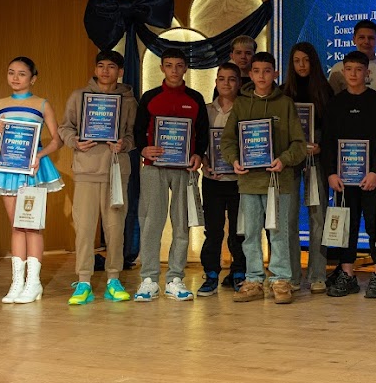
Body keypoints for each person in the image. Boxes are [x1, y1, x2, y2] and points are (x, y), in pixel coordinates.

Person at [221, 52, 307, 304]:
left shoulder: (285, 104)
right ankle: (254, 280)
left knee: (279, 233)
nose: (261, 76)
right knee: (250, 234)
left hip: (279, 181)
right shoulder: (241, 104)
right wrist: (234, 160)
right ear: (250, 74)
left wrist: (284, 160)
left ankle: (280, 280)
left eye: (267, 71)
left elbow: (299, 144)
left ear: (275, 74)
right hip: (249, 181)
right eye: (256, 71)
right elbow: (228, 140)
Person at [131, 47, 209, 302]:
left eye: (179, 65)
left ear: (185, 68)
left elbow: (203, 133)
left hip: (184, 170)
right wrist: (143, 148)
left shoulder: (195, 98)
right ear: (161, 68)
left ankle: (175, 279)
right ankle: (149, 280)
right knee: (151, 223)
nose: (174, 70)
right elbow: (138, 130)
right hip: (154, 168)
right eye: (169, 65)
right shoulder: (150, 97)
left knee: (181, 224)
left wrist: (198, 155)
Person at [62, 49, 137, 305]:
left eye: (111, 67)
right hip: (86, 170)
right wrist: (75, 141)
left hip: (116, 172)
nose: (105, 71)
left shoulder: (129, 101)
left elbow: (134, 135)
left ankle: (113, 279)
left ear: (120, 72)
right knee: (84, 229)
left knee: (115, 229)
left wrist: (124, 144)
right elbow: (65, 127)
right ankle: (83, 281)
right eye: (101, 66)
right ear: (95, 69)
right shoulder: (79, 96)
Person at [0, 56, 65, 304]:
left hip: (33, 169)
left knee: (31, 224)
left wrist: (39, 155)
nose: (15, 77)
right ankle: (17, 282)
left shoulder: (41, 104)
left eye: (22, 73)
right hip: (8, 169)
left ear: (33, 78)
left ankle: (34, 282)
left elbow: (57, 139)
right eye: (11, 72)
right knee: (16, 226)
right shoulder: (0, 104)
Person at [321, 50, 376, 299]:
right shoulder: (335, 103)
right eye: (349, 69)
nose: (353, 74)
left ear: (367, 72)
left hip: (372, 178)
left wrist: (375, 172)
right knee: (346, 226)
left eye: (359, 69)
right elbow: (328, 141)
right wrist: (331, 173)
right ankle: (348, 275)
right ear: (343, 71)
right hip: (344, 178)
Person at [283, 42, 333, 294]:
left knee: (318, 216)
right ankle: (291, 275)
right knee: (288, 217)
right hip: (291, 158)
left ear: (313, 61)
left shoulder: (325, 90)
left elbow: (334, 127)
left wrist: (322, 146)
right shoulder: (283, 92)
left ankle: (317, 274)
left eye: (306, 60)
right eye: (297, 61)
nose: (302, 65)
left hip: (317, 157)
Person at [198, 62, 246, 297]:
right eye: (222, 78)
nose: (226, 83)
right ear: (216, 82)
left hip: (240, 181)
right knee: (213, 230)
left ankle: (239, 273)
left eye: (231, 79)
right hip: (212, 180)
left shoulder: (246, 108)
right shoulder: (206, 110)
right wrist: (205, 162)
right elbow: (199, 143)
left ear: (239, 83)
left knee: (239, 231)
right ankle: (211, 274)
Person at [326, 19, 376, 126]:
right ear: (354, 39)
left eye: (371, 38)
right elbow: (329, 107)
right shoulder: (338, 69)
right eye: (361, 37)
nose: (366, 42)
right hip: (344, 133)